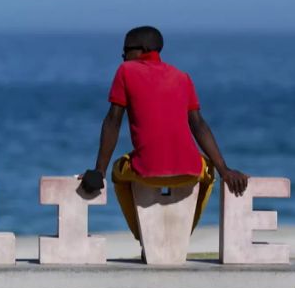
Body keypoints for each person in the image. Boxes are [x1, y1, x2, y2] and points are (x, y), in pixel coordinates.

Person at [80, 26, 249, 245]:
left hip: (145, 171)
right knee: (210, 174)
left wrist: (99, 171)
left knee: (116, 173)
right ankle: (183, 233)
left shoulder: (126, 71)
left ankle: (142, 237)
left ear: (143, 49)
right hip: (190, 171)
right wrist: (224, 169)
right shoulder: (182, 77)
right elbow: (198, 124)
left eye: (126, 51)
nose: (123, 57)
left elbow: (113, 120)